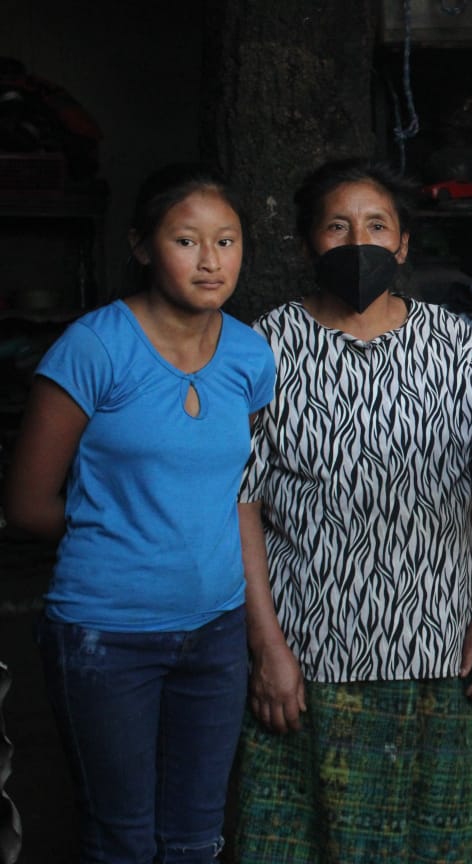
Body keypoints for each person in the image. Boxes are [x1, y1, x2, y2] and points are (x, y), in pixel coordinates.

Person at [232, 158, 472, 863]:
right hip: (310, 652)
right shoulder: (265, 348)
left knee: (435, 840)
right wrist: (266, 647)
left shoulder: (453, 346)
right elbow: (243, 505)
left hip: (441, 646)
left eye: (377, 226)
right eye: (337, 226)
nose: (359, 242)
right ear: (306, 245)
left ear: (405, 244)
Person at [2, 163, 276, 862]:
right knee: (120, 838)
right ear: (143, 245)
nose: (211, 260)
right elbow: (28, 503)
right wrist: (124, 532)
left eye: (227, 241)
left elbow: (228, 488)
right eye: (187, 240)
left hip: (215, 636)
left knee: (194, 838)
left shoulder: (250, 355)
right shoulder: (94, 348)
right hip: (105, 636)